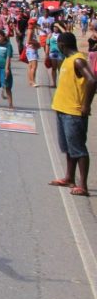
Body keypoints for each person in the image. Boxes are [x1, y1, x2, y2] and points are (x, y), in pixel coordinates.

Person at [47, 32, 96, 197]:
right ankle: (69, 177)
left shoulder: (77, 60)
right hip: (62, 109)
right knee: (68, 148)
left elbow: (92, 80)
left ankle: (83, 185)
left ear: (61, 45)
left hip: (73, 112)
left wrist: (86, 105)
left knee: (78, 149)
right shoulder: (67, 60)